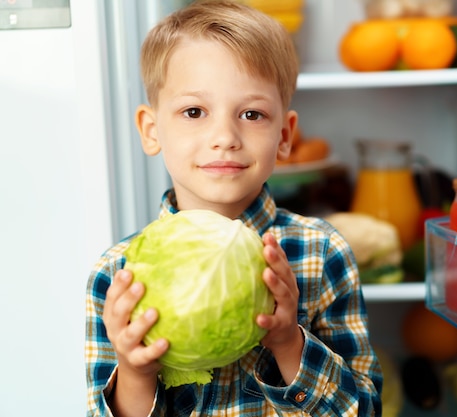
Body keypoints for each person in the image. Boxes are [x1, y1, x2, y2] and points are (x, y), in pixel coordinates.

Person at [85, 1, 383, 416]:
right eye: (194, 112)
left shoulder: (321, 252)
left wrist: (289, 343)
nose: (224, 136)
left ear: (284, 136)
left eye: (251, 113)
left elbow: (364, 410)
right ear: (152, 131)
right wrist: (136, 374)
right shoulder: (119, 275)